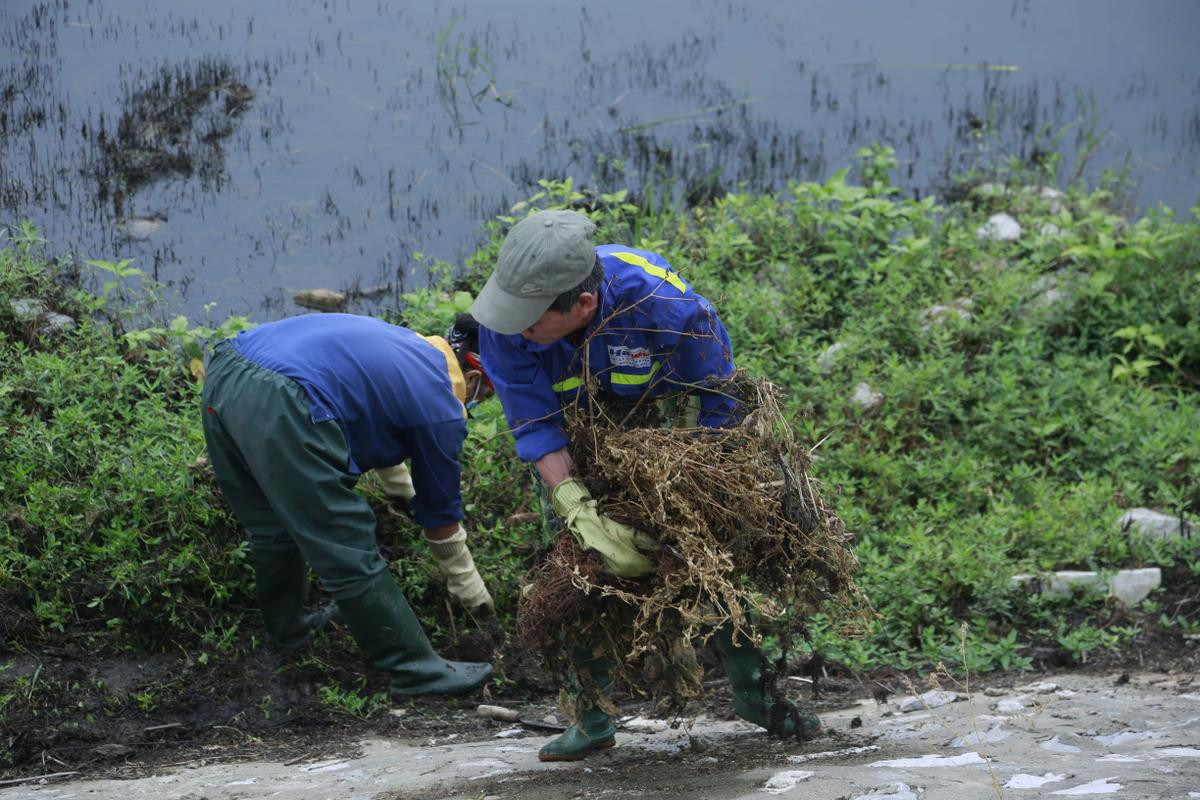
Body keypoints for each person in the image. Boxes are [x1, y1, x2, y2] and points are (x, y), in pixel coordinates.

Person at [469, 209, 821, 761]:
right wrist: (578, 509)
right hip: (573, 445)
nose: (515, 328)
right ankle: (591, 719)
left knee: (706, 565)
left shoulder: (664, 304)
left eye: (530, 320)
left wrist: (690, 497)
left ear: (581, 305)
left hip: (670, 443)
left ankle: (753, 695)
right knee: (574, 574)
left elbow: (719, 402)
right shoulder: (504, 320)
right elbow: (535, 425)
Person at [201, 312, 494, 698]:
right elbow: (440, 518)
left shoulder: (409, 348)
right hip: (286, 396)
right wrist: (471, 590)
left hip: (228, 372)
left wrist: (403, 493)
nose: (483, 402)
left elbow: (377, 418)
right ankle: (416, 669)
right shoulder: (442, 403)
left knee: (271, 523)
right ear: (473, 379)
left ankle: (288, 629)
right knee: (344, 536)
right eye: (487, 394)